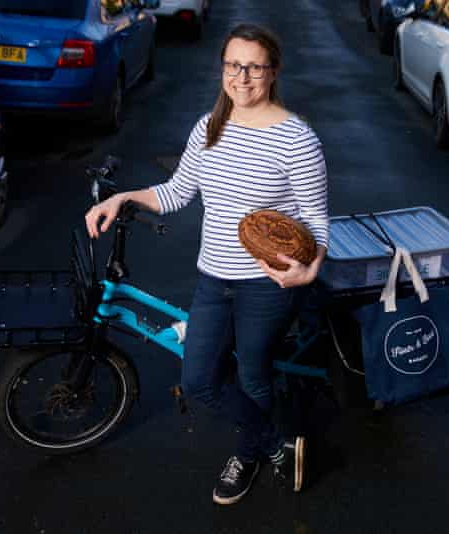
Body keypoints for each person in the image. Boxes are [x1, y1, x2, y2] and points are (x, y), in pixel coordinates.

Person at [84, 23, 329, 505]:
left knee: (253, 376)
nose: (243, 76)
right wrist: (125, 197)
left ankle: (246, 454)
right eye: (233, 65)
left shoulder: (298, 139)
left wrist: (310, 268)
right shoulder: (208, 127)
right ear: (223, 69)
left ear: (273, 71)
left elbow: (317, 220)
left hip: (268, 283)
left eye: (255, 66)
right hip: (213, 279)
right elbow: (177, 193)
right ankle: (274, 444)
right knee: (198, 381)